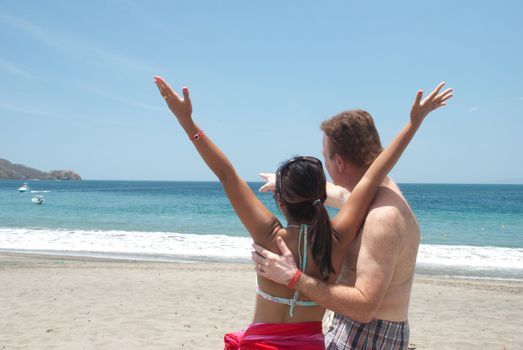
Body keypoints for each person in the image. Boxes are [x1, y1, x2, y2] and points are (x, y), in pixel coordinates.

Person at [154, 75, 450, 349]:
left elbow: (226, 174)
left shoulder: (269, 237)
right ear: (323, 195)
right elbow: (374, 175)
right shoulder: (336, 239)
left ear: (280, 201)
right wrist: (413, 124)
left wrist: (187, 122)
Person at [252, 88, 452, 349]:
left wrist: (293, 277)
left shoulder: (382, 218)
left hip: (369, 336)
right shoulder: (371, 193)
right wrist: (286, 184)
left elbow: (366, 306)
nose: (324, 161)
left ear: (339, 163)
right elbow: (335, 194)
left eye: (324, 156)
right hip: (356, 329)